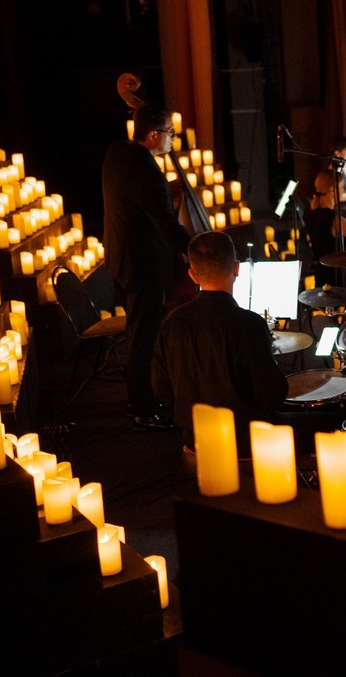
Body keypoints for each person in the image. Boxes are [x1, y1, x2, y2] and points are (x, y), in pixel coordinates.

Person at [151, 231, 288, 459]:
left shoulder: (171, 322)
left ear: (193, 275)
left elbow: (161, 389)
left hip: (195, 440)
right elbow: (273, 396)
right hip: (247, 440)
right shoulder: (249, 324)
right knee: (327, 421)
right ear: (236, 268)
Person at [102, 102, 193, 427]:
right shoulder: (149, 176)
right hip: (144, 267)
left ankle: (146, 396)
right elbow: (166, 223)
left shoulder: (116, 154)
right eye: (170, 133)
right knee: (142, 337)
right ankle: (141, 407)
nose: (172, 139)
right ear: (153, 135)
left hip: (119, 259)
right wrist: (198, 249)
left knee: (137, 332)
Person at [305, 168, 346, 287]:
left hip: (321, 274)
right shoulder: (333, 218)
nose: (343, 192)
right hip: (336, 278)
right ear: (332, 190)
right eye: (341, 188)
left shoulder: (310, 212)